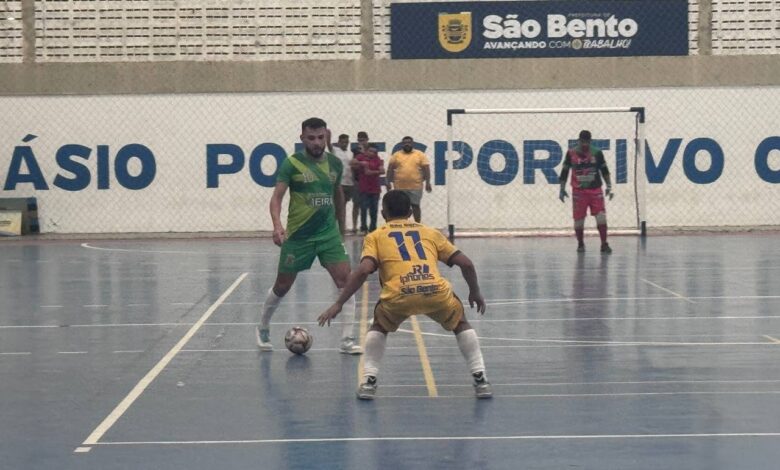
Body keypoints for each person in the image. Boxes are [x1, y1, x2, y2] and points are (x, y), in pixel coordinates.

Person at [317, 190, 492, 400]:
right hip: (434, 291)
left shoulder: (376, 236)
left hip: (399, 295)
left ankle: (369, 381)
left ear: (383, 213)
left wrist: (338, 303)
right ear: (410, 211)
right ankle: (480, 379)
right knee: (460, 323)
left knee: (379, 327)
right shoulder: (430, 232)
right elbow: (466, 264)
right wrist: (475, 291)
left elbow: (363, 271)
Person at [256, 117, 362, 355]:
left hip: (328, 235)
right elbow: (277, 198)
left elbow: (338, 196)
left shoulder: (335, 164)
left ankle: (347, 339)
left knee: (347, 283)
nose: (317, 143)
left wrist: (341, 231)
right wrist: (277, 226)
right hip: (299, 236)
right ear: (302, 138)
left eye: (321, 138)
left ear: (326, 137)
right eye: (311, 138)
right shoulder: (291, 164)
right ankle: (262, 326)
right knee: (282, 286)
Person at [558, 130, 613, 253]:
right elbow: (565, 171)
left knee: (601, 218)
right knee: (579, 220)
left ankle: (604, 244)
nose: (584, 144)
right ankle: (580, 244)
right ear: (579, 140)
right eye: (582, 142)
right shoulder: (571, 153)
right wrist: (561, 188)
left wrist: (609, 185)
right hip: (579, 191)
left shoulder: (597, 153)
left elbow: (604, 170)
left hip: (595, 190)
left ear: (590, 141)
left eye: (587, 142)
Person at [387, 136, 432, 222]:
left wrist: (428, 183)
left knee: (415, 206)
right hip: (400, 186)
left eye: (409, 142)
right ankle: (402, 224)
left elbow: (426, 168)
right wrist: (388, 181)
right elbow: (390, 169)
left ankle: (418, 224)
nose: (407, 144)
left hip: (415, 186)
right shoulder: (396, 155)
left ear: (412, 144)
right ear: (402, 144)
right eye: (405, 143)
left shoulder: (419, 154)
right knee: (401, 208)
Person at [332, 133, 360, 234]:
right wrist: (327, 136)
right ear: (339, 142)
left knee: (344, 206)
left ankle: (342, 227)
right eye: (343, 142)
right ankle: (337, 228)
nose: (345, 144)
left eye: (346, 142)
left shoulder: (350, 153)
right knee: (338, 206)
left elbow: (352, 168)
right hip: (340, 183)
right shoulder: (335, 150)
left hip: (350, 183)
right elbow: (329, 146)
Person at [356, 144, 384, 233]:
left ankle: (373, 228)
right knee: (363, 209)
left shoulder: (377, 159)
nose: (372, 153)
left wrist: (371, 171)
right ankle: (363, 227)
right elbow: (352, 163)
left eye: (375, 152)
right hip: (364, 188)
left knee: (374, 210)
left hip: (375, 189)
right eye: (371, 151)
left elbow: (382, 170)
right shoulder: (361, 157)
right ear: (367, 150)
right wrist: (362, 163)